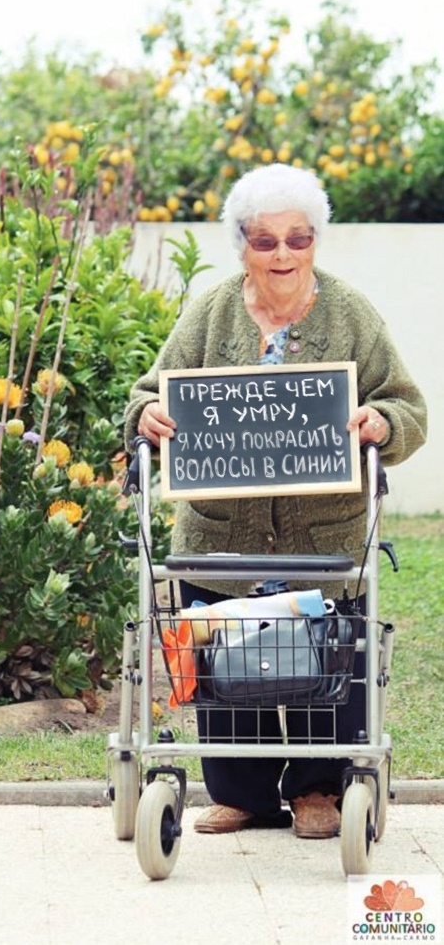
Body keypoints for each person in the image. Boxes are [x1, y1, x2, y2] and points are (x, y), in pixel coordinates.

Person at [124, 163, 427, 839]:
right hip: (220, 535)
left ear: (315, 242)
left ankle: (319, 790)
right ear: (243, 247)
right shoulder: (211, 309)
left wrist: (379, 422)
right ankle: (243, 793)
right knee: (229, 665)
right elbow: (151, 391)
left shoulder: (352, 314)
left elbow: (407, 406)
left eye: (298, 239)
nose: (283, 254)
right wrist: (147, 416)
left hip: (323, 536)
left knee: (325, 667)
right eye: (265, 242)